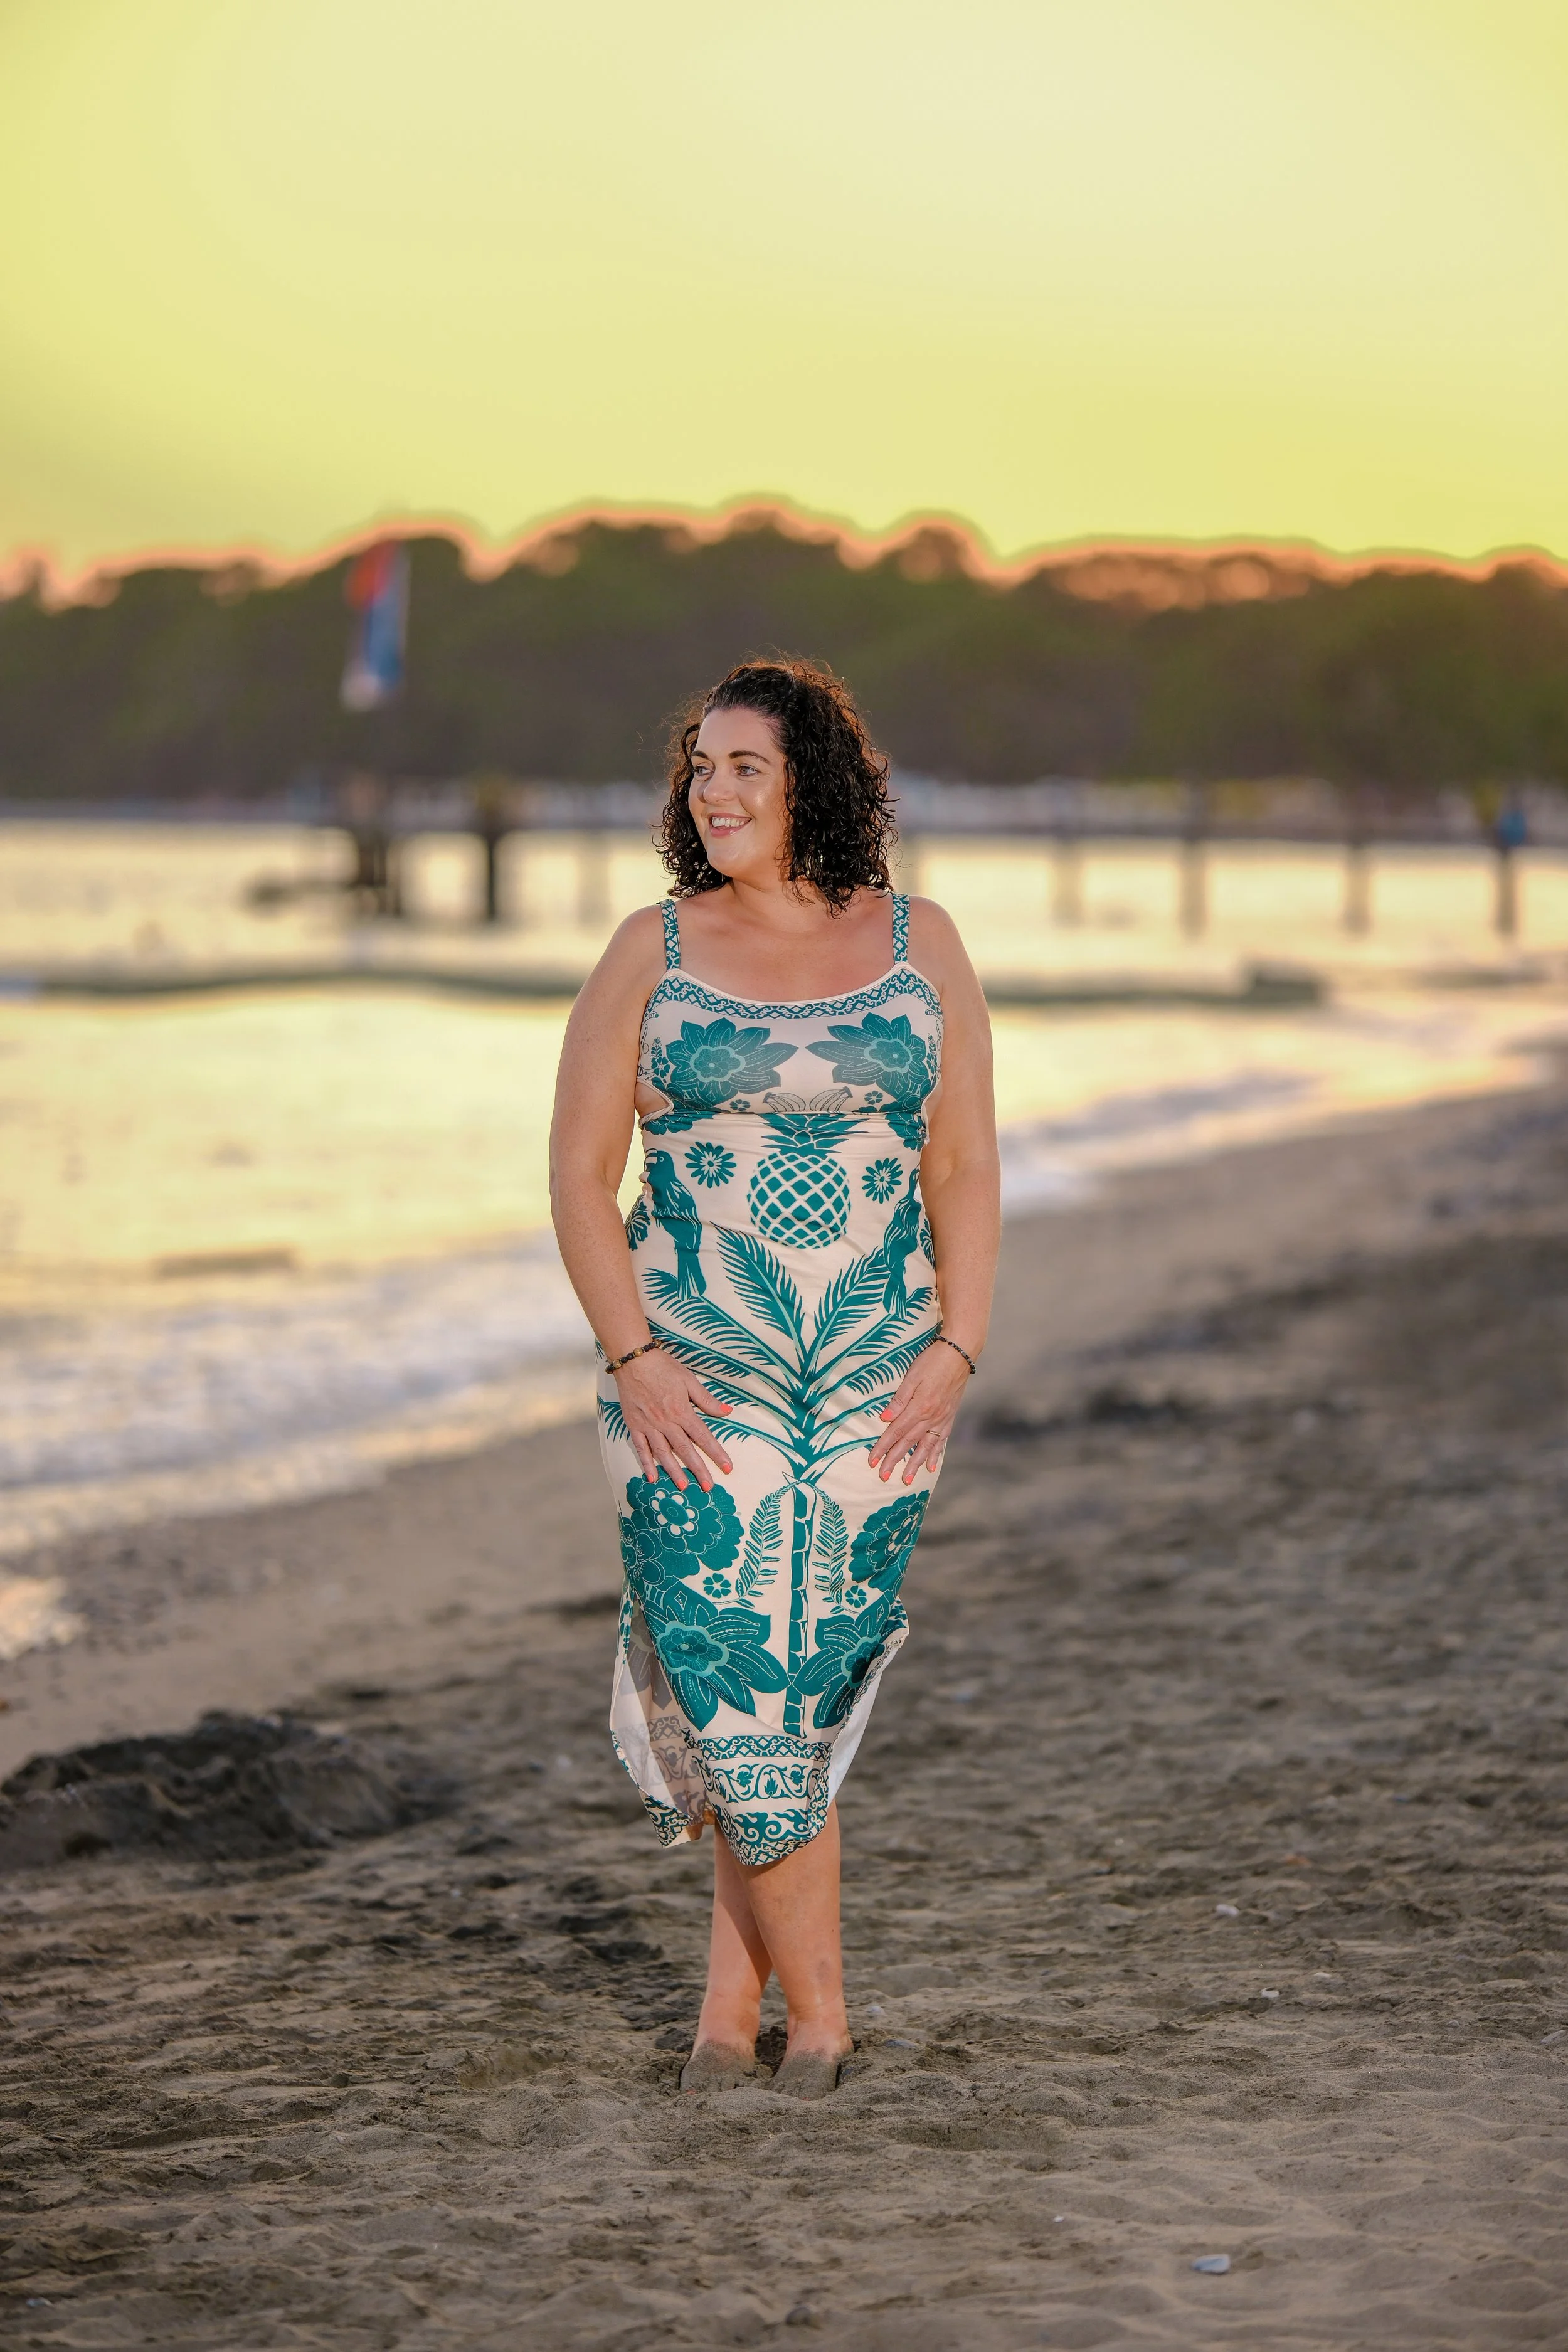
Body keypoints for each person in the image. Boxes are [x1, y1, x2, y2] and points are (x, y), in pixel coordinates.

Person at [549, 659, 1000, 2098]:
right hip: (688, 1375)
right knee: (736, 1690)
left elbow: (965, 1167)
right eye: (699, 768)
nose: (716, 791)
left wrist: (954, 1348)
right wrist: (635, 1357)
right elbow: (575, 1177)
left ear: (813, 777)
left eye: (745, 764)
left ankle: (718, 2010)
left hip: (878, 1377)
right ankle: (820, 2022)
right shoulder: (651, 948)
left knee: (800, 1691)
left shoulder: (921, 941)